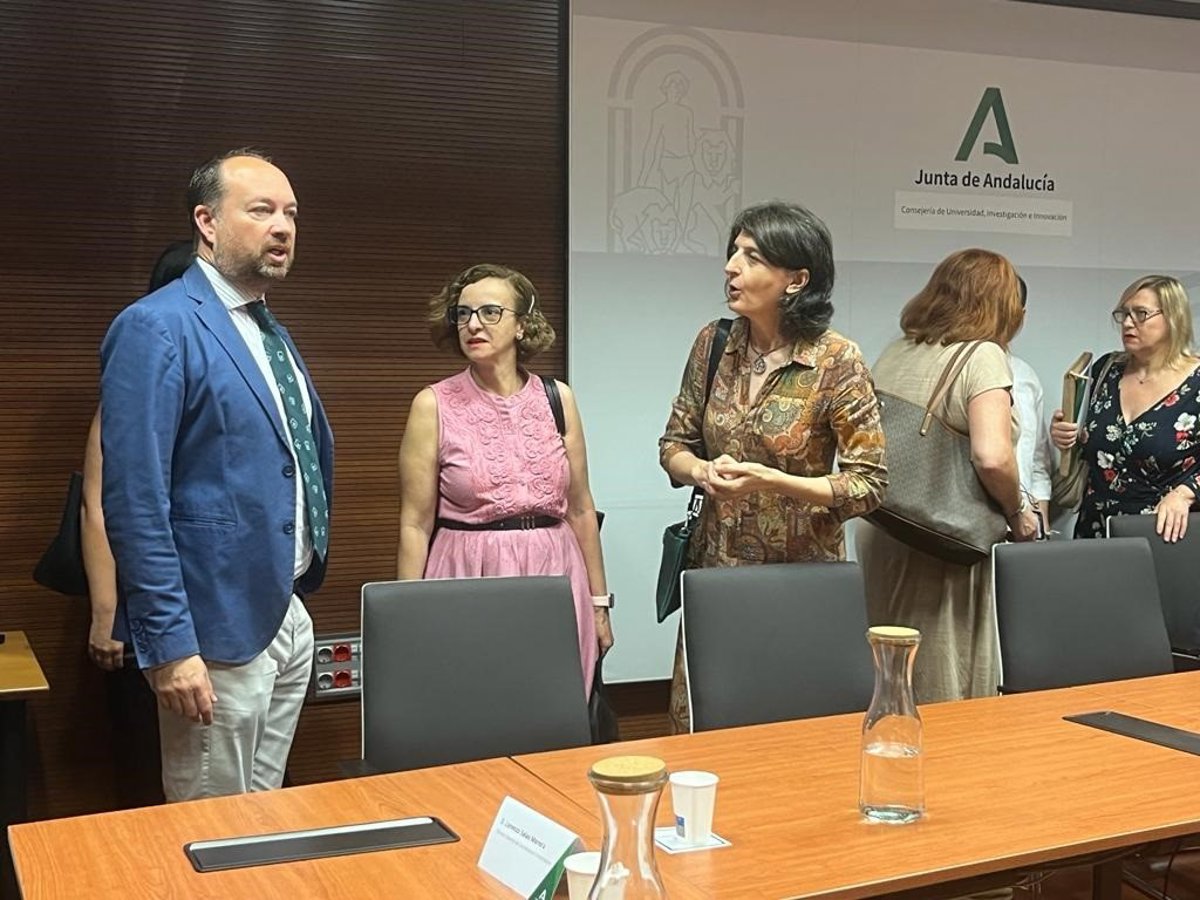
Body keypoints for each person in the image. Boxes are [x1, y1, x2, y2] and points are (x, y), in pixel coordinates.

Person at [99, 150, 332, 801]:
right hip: (211, 629)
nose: (282, 226)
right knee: (211, 827)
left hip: (284, 611)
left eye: (290, 214)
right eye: (261, 211)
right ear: (207, 222)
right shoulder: (156, 327)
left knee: (265, 819)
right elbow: (135, 501)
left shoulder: (269, 331)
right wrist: (171, 645)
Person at [659, 199, 887, 733]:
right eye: (733, 252)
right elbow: (674, 444)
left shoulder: (836, 361)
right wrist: (699, 472)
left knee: (794, 730)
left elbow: (869, 483)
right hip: (715, 575)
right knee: (705, 728)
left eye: (752, 257)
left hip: (799, 581)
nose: (731, 267)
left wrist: (774, 481)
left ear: (796, 280)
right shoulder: (714, 344)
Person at [397, 263, 613, 696]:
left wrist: (599, 603)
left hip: (556, 576)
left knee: (556, 705)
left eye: (490, 312)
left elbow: (581, 509)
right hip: (467, 577)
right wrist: (407, 615)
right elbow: (415, 524)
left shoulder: (558, 399)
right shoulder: (432, 405)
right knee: (474, 705)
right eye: (463, 313)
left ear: (522, 325)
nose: (473, 324)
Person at [856, 249, 1039, 704]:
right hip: (945, 539)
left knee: (889, 664)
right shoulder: (984, 356)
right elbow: (992, 456)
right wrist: (1018, 511)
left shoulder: (899, 350)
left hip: (885, 527)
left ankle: (886, 734)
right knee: (942, 668)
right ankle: (940, 746)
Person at [80, 241, 194, 807]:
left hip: (208, 605)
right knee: (154, 770)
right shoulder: (138, 381)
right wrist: (106, 614)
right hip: (143, 608)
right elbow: (100, 504)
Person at [1050, 275, 1200, 542]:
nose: (1128, 323)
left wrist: (1185, 494)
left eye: (1141, 314)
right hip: (1096, 530)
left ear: (1173, 318)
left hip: (1165, 533)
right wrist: (1065, 435)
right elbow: (1088, 441)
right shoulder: (1106, 369)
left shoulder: (1196, 381)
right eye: (1124, 314)